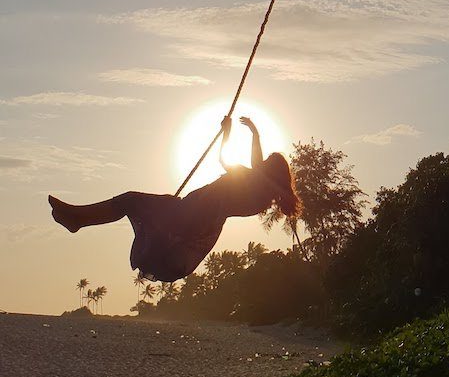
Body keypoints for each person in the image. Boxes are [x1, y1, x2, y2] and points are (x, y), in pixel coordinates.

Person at [48, 116, 300, 283]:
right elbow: (233, 161)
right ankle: (77, 218)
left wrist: (245, 132)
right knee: (131, 202)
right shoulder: (255, 189)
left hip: (192, 218)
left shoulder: (256, 190)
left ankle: (78, 218)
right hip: (189, 212)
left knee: (131, 201)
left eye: (267, 163)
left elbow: (251, 163)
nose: (261, 162)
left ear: (271, 172)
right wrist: (233, 134)